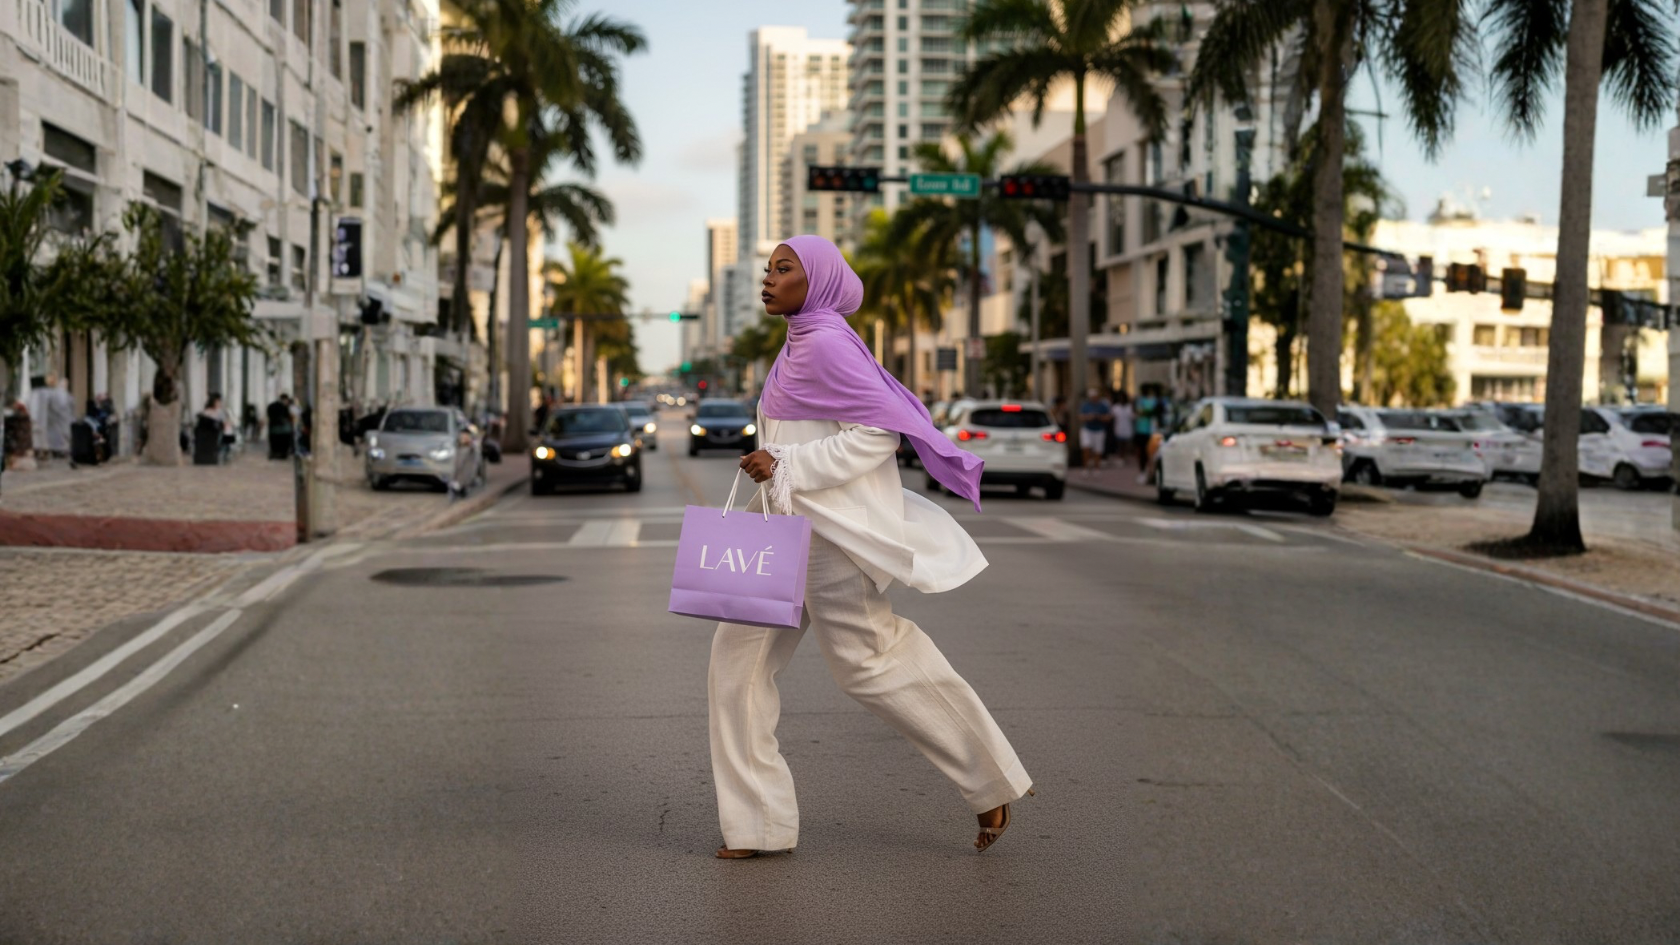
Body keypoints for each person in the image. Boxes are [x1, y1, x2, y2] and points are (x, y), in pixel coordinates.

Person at [717, 235, 1033, 860]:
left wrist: (784, 462)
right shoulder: (799, 343)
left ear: (817, 281)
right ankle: (757, 824)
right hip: (782, 525)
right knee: (735, 669)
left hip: (830, 533)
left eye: (784, 269)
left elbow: (878, 435)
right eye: (769, 269)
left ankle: (990, 779)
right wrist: (778, 467)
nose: (769, 278)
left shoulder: (828, 343)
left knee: (868, 660)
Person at [1076, 388, 1110, 476]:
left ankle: (1097, 468)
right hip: (1087, 429)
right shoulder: (1085, 405)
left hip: (1099, 430)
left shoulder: (1103, 405)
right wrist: (1088, 417)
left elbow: (1108, 417)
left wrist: (1100, 417)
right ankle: (1085, 468)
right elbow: (1080, 417)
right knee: (1086, 448)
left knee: (1098, 450)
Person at [1111, 390, 1136, 467]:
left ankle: (1125, 457)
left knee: (1126, 444)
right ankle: (1120, 457)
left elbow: (1133, 417)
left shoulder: (1129, 407)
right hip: (1119, 428)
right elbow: (1112, 417)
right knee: (1119, 444)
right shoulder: (1115, 407)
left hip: (1127, 428)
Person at [266, 394, 294, 460]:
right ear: (285, 399)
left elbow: (269, 415)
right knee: (284, 441)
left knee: (274, 441)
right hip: (283, 429)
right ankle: (282, 454)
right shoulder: (284, 407)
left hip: (273, 427)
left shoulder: (271, 405)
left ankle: (274, 453)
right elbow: (287, 416)